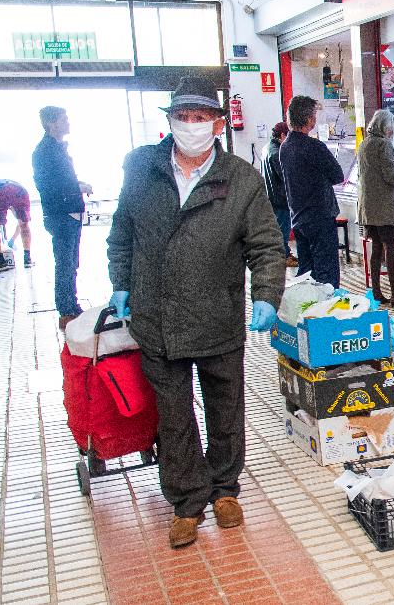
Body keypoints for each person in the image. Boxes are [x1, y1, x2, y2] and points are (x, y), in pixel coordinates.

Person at [106, 76, 285, 549]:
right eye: (182, 118)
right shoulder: (141, 169)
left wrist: (266, 293)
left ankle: (225, 489)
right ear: (169, 121)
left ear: (218, 123)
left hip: (217, 315)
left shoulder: (240, 178)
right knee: (174, 415)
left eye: (200, 118)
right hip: (156, 317)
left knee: (225, 408)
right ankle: (186, 501)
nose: (191, 126)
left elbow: (266, 245)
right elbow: (122, 231)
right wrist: (120, 282)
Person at [31, 106, 93, 329]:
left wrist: (77, 186)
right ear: (52, 123)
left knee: (71, 262)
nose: (68, 122)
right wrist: (77, 188)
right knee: (65, 262)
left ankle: (72, 305)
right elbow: (47, 185)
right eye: (64, 119)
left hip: (70, 212)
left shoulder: (57, 149)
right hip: (61, 214)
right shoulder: (44, 152)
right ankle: (66, 309)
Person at [279, 96, 344, 288]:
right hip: (320, 217)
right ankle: (326, 314)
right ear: (309, 119)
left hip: (298, 217)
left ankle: (307, 312)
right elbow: (337, 175)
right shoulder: (314, 147)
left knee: (306, 271)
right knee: (326, 273)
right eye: (314, 115)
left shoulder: (285, 147)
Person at [357, 110, 394, 306]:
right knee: (390, 249)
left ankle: (377, 291)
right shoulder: (383, 144)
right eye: (392, 130)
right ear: (386, 127)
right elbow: (389, 176)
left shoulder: (364, 143)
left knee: (376, 249)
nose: (392, 134)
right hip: (383, 206)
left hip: (368, 205)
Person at [263, 121, 298, 268]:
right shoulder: (277, 153)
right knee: (282, 229)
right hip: (281, 198)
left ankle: (283, 253)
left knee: (278, 228)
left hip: (272, 197)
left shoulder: (267, 148)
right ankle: (283, 256)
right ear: (282, 135)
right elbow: (285, 176)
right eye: (288, 136)